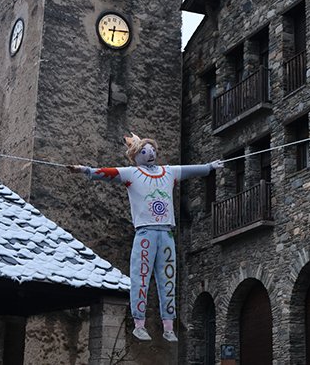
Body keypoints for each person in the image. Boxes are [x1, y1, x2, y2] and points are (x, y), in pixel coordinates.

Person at [69, 132, 224, 342]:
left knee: (168, 277)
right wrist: (86, 170)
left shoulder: (167, 172)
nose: (150, 153)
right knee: (140, 276)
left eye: (152, 149)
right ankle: (139, 324)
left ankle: (168, 326)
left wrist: (209, 168)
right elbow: (108, 173)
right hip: (145, 233)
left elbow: (190, 170)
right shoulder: (131, 173)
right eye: (144, 150)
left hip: (166, 233)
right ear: (135, 155)